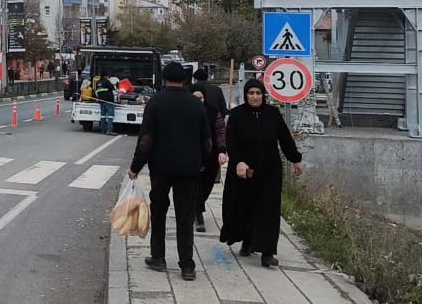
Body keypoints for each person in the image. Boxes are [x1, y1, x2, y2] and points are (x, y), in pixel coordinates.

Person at [128, 62, 211, 281]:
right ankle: (187, 266)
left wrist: (136, 166)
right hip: (189, 169)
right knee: (185, 217)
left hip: (161, 168)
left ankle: (158, 257)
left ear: (164, 80)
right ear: (185, 80)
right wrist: (203, 163)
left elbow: (146, 140)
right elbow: (207, 141)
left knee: (159, 211)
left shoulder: (155, 104)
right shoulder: (196, 106)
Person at [219, 78, 304, 268]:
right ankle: (247, 240)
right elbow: (231, 141)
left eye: (258, 93)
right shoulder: (237, 115)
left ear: (263, 95)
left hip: (269, 170)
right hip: (244, 171)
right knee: (244, 206)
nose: (255, 97)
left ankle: (267, 252)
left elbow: (285, 138)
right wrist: (238, 161)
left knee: (269, 210)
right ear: (246, 95)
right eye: (251, 93)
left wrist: (295, 159)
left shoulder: (272, 114)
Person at [191, 82, 228, 232]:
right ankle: (198, 213)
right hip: (191, 154)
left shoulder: (213, 112)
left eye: (200, 98)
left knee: (207, 183)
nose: (198, 101)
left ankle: (197, 206)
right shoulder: (185, 111)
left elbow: (220, 131)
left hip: (210, 155)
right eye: (195, 98)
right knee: (195, 184)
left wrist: (222, 150)